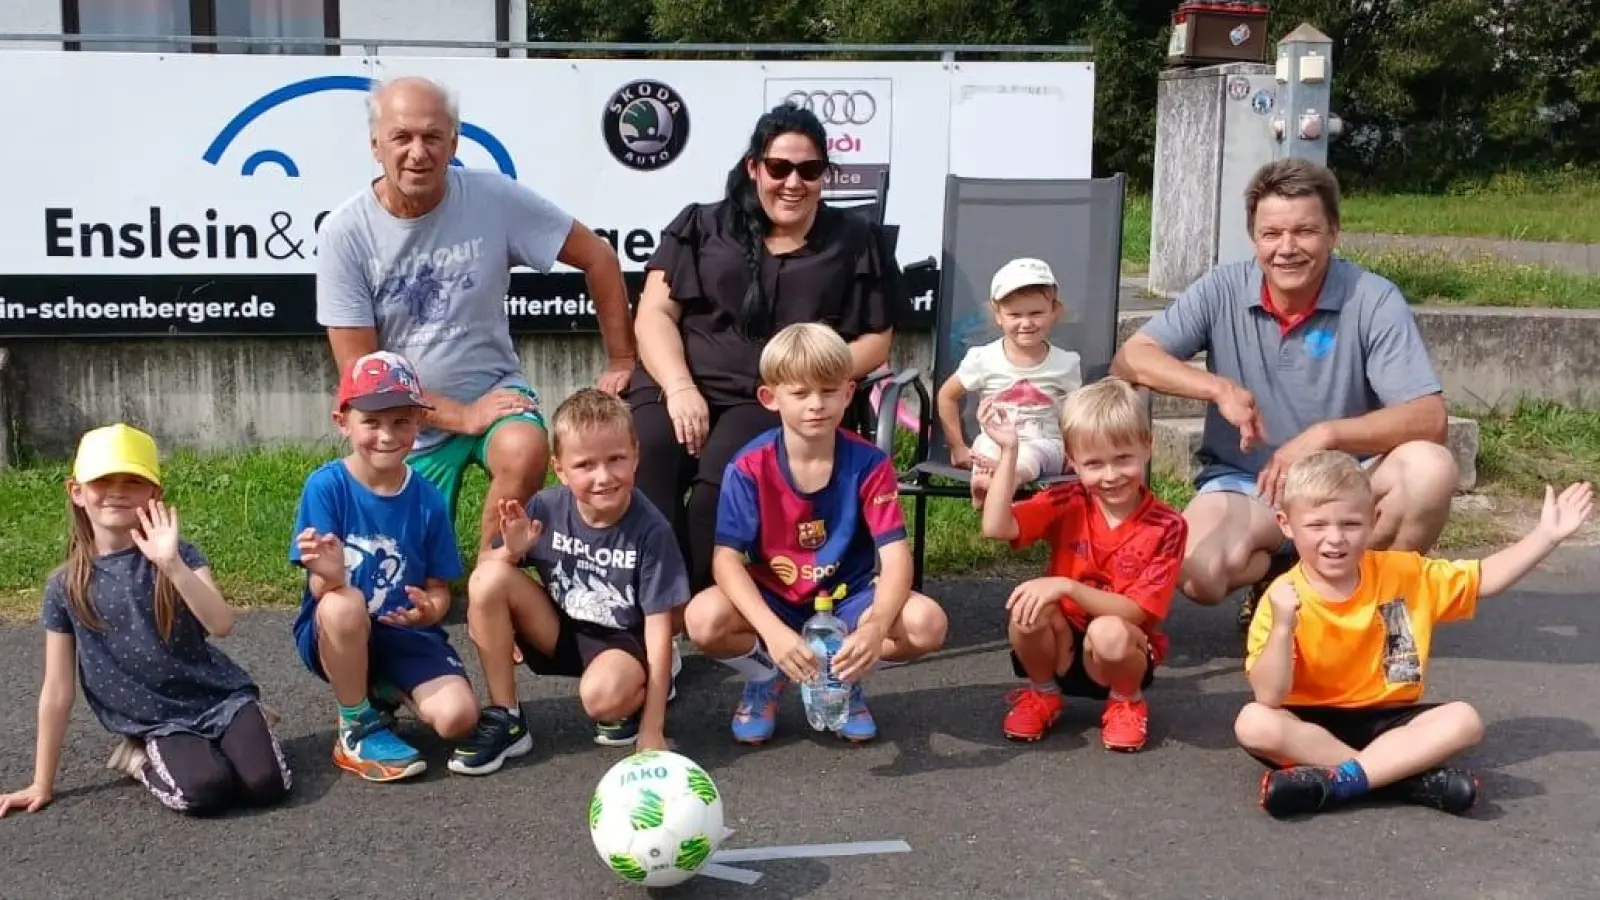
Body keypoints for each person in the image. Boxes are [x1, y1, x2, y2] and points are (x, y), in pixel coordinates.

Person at [1110, 158, 1459, 629]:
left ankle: (1378, 608)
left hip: (1345, 481)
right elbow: (1131, 359)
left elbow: (1428, 418)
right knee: (1199, 574)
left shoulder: (1373, 298)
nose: (1287, 248)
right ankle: (1284, 581)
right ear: (1254, 237)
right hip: (1248, 482)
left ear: (1333, 233)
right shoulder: (1222, 288)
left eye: (1305, 232)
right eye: (1271, 234)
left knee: (1429, 469)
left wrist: (1326, 436)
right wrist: (1217, 388)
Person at [315, 75, 638, 556]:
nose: (418, 152)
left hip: (496, 397)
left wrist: (622, 359)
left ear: (454, 142)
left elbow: (600, 257)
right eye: (402, 137)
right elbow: (363, 378)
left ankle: (492, 574)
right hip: (402, 423)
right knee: (401, 577)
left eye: (432, 137)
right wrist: (460, 415)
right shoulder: (345, 232)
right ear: (376, 145)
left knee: (524, 447)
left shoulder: (494, 198)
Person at [627, 102, 909, 592]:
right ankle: (648, 609)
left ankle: (696, 607)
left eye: (810, 169)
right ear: (754, 168)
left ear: (825, 175)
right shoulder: (702, 224)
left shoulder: (854, 240)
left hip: (771, 394)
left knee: (723, 480)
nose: (793, 182)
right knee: (646, 454)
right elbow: (653, 313)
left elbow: (876, 339)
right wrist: (678, 387)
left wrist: (804, 383)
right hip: (678, 380)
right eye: (779, 168)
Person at [1236, 450, 1592, 818]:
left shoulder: (1405, 574)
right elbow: (1269, 694)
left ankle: (1341, 780)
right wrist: (1282, 626)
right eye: (1317, 525)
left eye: (1350, 524)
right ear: (1286, 523)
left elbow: (1483, 578)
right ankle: (1402, 778)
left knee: (1463, 720)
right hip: (1308, 723)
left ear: (1373, 521)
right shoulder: (1280, 596)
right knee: (1254, 722)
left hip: (1390, 719)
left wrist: (1546, 536)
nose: (1335, 539)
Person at [0, 424, 291, 818]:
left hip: (219, 697)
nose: (117, 490)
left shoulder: (180, 555)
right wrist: (41, 782)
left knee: (266, 785)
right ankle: (139, 758)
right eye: (103, 480)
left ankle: (245, 725)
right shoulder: (65, 586)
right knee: (204, 792)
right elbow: (57, 689)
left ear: (154, 493)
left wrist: (171, 565)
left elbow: (221, 624)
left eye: (133, 481)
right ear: (77, 491)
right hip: (158, 720)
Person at [683, 323, 948, 745]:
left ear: (848, 393)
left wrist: (876, 628)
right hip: (777, 595)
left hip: (849, 598)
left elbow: (896, 556)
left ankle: (844, 676)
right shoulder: (749, 466)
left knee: (927, 624)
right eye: (800, 393)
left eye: (828, 391)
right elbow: (726, 559)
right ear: (771, 398)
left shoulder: (870, 464)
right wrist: (772, 632)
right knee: (702, 618)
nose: (816, 405)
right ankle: (767, 675)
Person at [451, 389, 690, 774]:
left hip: (623, 641)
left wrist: (653, 730)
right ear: (559, 469)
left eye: (616, 459)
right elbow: (484, 576)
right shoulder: (546, 506)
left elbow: (660, 632)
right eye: (585, 465)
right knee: (490, 577)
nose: (603, 477)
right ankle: (506, 717)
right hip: (560, 629)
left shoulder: (651, 530)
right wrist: (512, 551)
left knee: (602, 700)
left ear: (636, 456)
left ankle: (637, 694)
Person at [290, 351, 479, 783]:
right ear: (344, 422)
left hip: (405, 633)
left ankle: (383, 688)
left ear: (419, 422)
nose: (386, 436)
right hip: (337, 630)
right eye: (371, 423)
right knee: (344, 603)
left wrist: (428, 610)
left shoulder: (428, 499)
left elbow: (439, 588)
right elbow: (321, 591)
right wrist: (330, 573)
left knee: (458, 718)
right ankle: (355, 726)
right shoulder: (327, 487)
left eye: (400, 422)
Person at [979, 378, 1187, 751]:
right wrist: (1010, 452)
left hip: (1120, 646)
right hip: (1062, 642)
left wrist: (1066, 586)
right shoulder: (1067, 500)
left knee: (1110, 632)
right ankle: (1043, 693)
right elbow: (996, 526)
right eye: (1094, 464)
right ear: (1072, 462)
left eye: (1123, 458)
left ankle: (1127, 701)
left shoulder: (1168, 525)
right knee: (1028, 611)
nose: (1110, 476)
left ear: (1148, 447)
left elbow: (1136, 612)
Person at [937, 257, 1083, 506]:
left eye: (1036, 313)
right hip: (993, 439)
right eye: (1015, 314)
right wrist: (958, 446)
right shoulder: (983, 358)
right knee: (984, 451)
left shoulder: (1066, 363)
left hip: (1042, 442)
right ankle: (986, 482)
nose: (1026, 323)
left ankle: (1005, 480)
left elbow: (1079, 411)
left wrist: (1077, 452)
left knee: (1029, 456)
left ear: (1054, 312)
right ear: (998, 315)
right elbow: (947, 395)